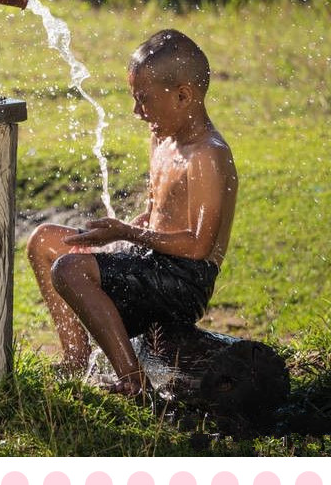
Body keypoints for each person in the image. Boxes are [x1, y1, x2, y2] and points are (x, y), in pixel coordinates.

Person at [26, 29, 238, 398]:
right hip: (151, 260)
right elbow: (157, 213)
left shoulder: (207, 154)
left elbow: (199, 246)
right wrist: (132, 228)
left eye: (144, 100)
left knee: (70, 269)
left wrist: (126, 233)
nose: (137, 112)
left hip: (184, 280)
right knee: (45, 241)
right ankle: (77, 362)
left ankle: (133, 382)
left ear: (183, 96)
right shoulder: (162, 137)